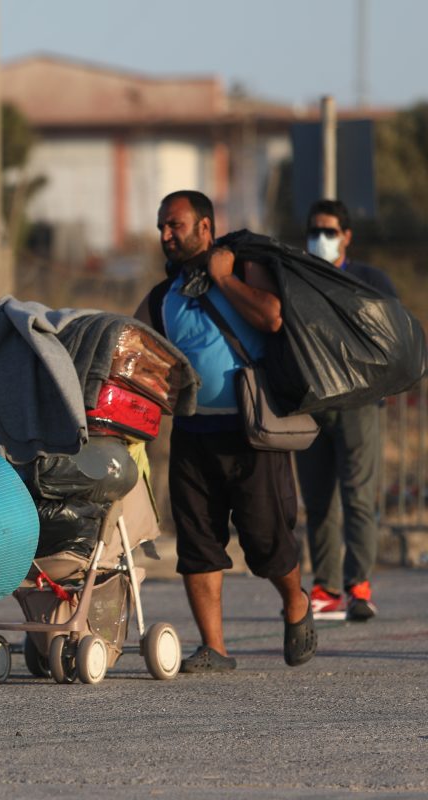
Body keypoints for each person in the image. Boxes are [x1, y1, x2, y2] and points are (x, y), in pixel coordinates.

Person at [135, 190, 315, 673]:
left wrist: (222, 279)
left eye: (175, 225)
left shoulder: (244, 271)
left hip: (251, 430)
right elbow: (134, 347)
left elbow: (271, 317)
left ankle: (295, 601)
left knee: (265, 539)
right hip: (193, 433)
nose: (165, 235)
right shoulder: (164, 295)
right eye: (161, 227)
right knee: (197, 541)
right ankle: (215, 647)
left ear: (206, 228)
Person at [297, 199, 398, 622]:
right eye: (316, 230)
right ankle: (326, 587)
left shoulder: (369, 279)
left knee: (358, 498)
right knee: (318, 500)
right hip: (312, 404)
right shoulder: (298, 277)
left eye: (330, 231)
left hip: (357, 403)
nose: (322, 238)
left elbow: (393, 336)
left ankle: (359, 586)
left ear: (346, 235)